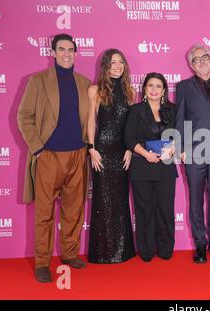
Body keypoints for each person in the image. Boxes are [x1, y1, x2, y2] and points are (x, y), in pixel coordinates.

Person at [17, 33, 91, 282]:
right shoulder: (37, 81)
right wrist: (38, 149)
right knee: (44, 212)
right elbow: (24, 117)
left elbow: (90, 121)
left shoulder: (85, 83)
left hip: (78, 155)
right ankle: (41, 262)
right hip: (48, 156)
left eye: (71, 49)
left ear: (76, 52)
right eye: (61, 49)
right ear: (53, 52)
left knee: (74, 210)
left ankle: (70, 254)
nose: (66, 54)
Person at [176, 44, 210, 263]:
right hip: (194, 151)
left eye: (205, 57)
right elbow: (180, 118)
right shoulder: (183, 87)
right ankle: (200, 243)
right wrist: (181, 148)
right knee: (196, 199)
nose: (202, 61)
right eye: (196, 59)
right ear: (191, 64)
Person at [87, 49, 137, 264]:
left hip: (123, 152)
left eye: (121, 62)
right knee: (102, 200)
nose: (117, 66)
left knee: (121, 200)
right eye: (113, 62)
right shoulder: (95, 90)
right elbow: (91, 120)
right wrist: (91, 148)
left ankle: (123, 251)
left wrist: (130, 149)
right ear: (105, 66)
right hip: (102, 151)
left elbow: (132, 125)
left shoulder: (131, 92)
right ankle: (102, 252)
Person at [125, 72, 177, 262]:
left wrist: (172, 149)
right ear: (144, 89)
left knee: (165, 209)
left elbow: (179, 134)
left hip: (166, 166)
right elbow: (129, 138)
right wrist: (146, 154)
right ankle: (146, 250)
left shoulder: (172, 109)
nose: (154, 89)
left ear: (164, 90)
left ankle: (165, 249)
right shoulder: (136, 110)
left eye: (158, 86)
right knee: (144, 210)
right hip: (142, 166)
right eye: (150, 85)